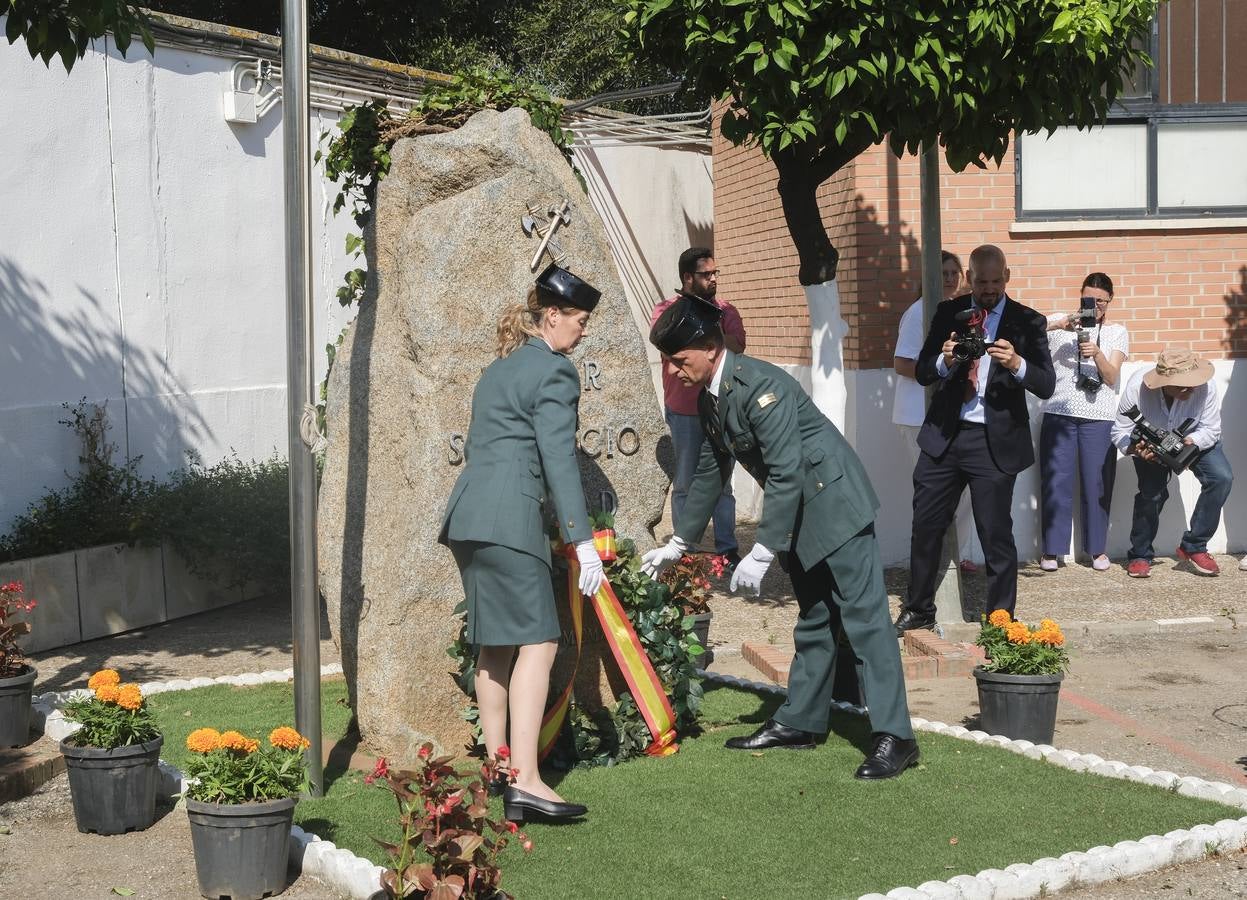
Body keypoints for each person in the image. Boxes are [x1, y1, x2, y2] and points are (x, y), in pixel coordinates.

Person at [641, 293, 918, 780]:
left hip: (835, 505)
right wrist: (679, 541)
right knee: (815, 617)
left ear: (709, 347)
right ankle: (802, 722)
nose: (673, 371)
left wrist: (764, 547)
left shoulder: (758, 385)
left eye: (678, 360)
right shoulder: (710, 394)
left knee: (865, 621)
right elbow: (710, 471)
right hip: (802, 511)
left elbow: (787, 470)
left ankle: (895, 737)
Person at [438, 264, 605, 823]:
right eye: (579, 321)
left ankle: (500, 771)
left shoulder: (498, 368)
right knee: (539, 642)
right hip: (511, 523)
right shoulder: (555, 372)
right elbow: (558, 460)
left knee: (494, 645)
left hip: (469, 520)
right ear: (551, 316)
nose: (583, 332)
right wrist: (582, 543)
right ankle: (528, 780)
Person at [894, 245, 1056, 635]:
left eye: (995, 281)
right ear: (969, 277)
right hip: (946, 437)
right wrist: (944, 360)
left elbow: (1047, 384)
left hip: (994, 442)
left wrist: (1017, 364)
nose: (988, 288)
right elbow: (921, 371)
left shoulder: (1028, 321)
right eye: (980, 281)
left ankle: (1000, 621)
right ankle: (919, 609)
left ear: (1007, 276)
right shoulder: (950, 312)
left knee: (995, 535)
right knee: (925, 526)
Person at [650, 248, 746, 568]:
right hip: (684, 410)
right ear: (688, 278)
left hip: (720, 407)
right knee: (686, 482)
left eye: (716, 273)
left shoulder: (725, 310)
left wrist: (709, 324)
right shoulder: (666, 310)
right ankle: (684, 548)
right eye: (707, 274)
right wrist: (697, 328)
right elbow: (670, 345)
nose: (714, 279)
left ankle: (727, 548)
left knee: (723, 482)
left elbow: (736, 345)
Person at [893, 249, 982, 573]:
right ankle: (932, 564)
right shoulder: (919, 313)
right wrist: (942, 367)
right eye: (942, 273)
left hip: (951, 415)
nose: (948, 279)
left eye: (953, 273)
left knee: (961, 492)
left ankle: (956, 557)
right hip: (918, 415)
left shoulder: (961, 313)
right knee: (932, 496)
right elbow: (901, 363)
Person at [1110, 346, 1231, 578]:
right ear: (1163, 382)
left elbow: (1211, 429)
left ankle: (1194, 546)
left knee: (1221, 477)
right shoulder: (1138, 387)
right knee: (1151, 494)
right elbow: (1119, 431)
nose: (1190, 388)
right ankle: (1140, 554)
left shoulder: (1207, 386)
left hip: (1196, 439)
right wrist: (1136, 449)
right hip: (1150, 446)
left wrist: (1187, 443)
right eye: (1182, 385)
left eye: (1192, 382)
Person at [1038, 273, 1129, 572]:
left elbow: (1112, 377)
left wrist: (1098, 352)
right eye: (1089, 300)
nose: (1096, 307)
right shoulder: (1061, 326)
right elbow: (1027, 330)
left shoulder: (1117, 332)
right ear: (1080, 297)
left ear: (1110, 300)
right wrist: (1063, 320)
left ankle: (1097, 549)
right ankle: (1052, 550)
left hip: (1099, 417)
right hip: (1059, 412)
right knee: (1055, 481)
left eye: (1101, 301)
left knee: (1097, 483)